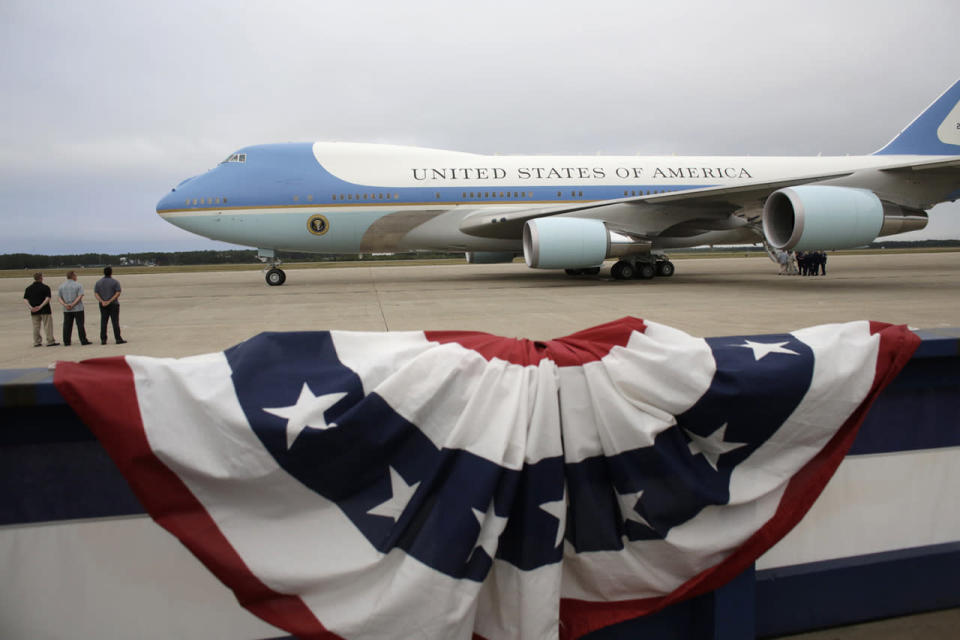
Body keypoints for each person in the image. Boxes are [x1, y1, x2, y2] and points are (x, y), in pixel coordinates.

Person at [23, 272, 59, 347]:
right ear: (41, 278)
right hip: (45, 310)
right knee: (47, 326)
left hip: (34, 310)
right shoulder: (45, 287)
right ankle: (50, 341)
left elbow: (25, 299)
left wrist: (30, 307)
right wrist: (41, 306)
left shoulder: (28, 288)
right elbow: (47, 298)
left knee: (36, 326)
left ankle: (37, 341)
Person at [58, 271, 91, 346]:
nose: (76, 277)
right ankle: (83, 340)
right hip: (78, 308)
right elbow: (79, 296)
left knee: (67, 325)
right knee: (80, 324)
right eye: (75, 275)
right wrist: (72, 304)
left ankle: (66, 341)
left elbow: (59, 298)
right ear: (73, 276)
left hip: (66, 309)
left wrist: (65, 304)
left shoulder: (61, 286)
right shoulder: (78, 285)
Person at [94, 266, 126, 345]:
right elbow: (118, 292)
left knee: (104, 322)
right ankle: (118, 338)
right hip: (113, 304)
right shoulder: (115, 282)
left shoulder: (98, 282)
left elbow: (96, 293)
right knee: (115, 322)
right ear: (111, 272)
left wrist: (102, 301)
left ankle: (103, 339)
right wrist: (110, 301)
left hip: (103, 305)